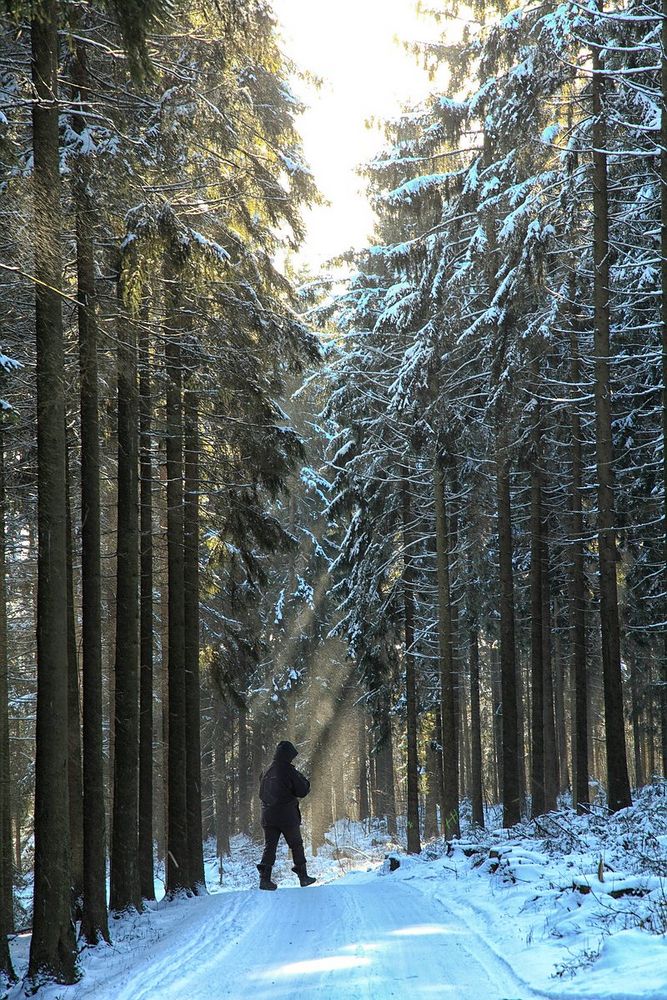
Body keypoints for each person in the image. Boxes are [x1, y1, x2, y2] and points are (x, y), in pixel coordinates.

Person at [257, 740, 316, 890]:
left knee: (269, 846)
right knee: (296, 845)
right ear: (288, 755)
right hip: (287, 816)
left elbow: (261, 793)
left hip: (268, 816)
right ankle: (303, 876)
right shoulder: (288, 770)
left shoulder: (266, 770)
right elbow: (302, 790)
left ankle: (264, 879)